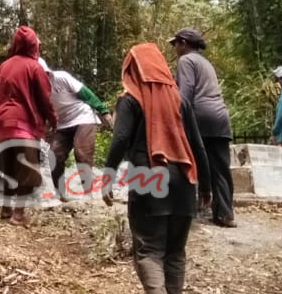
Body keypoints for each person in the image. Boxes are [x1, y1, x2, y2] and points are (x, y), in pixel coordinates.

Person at [103, 43, 210, 294]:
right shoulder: (180, 101)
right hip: (184, 182)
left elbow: (120, 139)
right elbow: (198, 145)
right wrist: (206, 186)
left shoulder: (130, 100)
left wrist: (107, 177)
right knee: (175, 253)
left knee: (149, 251)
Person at [169, 27, 234, 227]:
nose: (175, 49)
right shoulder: (205, 63)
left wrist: (176, 118)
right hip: (220, 117)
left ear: (184, 43)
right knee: (220, 168)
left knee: (191, 162)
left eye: (176, 44)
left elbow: (185, 94)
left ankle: (191, 209)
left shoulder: (186, 61)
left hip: (200, 117)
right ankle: (225, 214)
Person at [0, 25, 56, 225]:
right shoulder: (34, 67)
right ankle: (18, 214)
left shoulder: (2, 67)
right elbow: (45, 98)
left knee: (9, 166)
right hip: (24, 123)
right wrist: (53, 120)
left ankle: (5, 208)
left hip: (3, 122)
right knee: (27, 169)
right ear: (32, 45)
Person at [41, 57, 112, 196]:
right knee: (54, 155)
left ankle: (90, 193)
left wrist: (103, 110)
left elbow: (84, 92)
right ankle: (60, 193)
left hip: (82, 116)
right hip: (62, 123)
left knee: (82, 152)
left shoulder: (61, 77)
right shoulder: (36, 89)